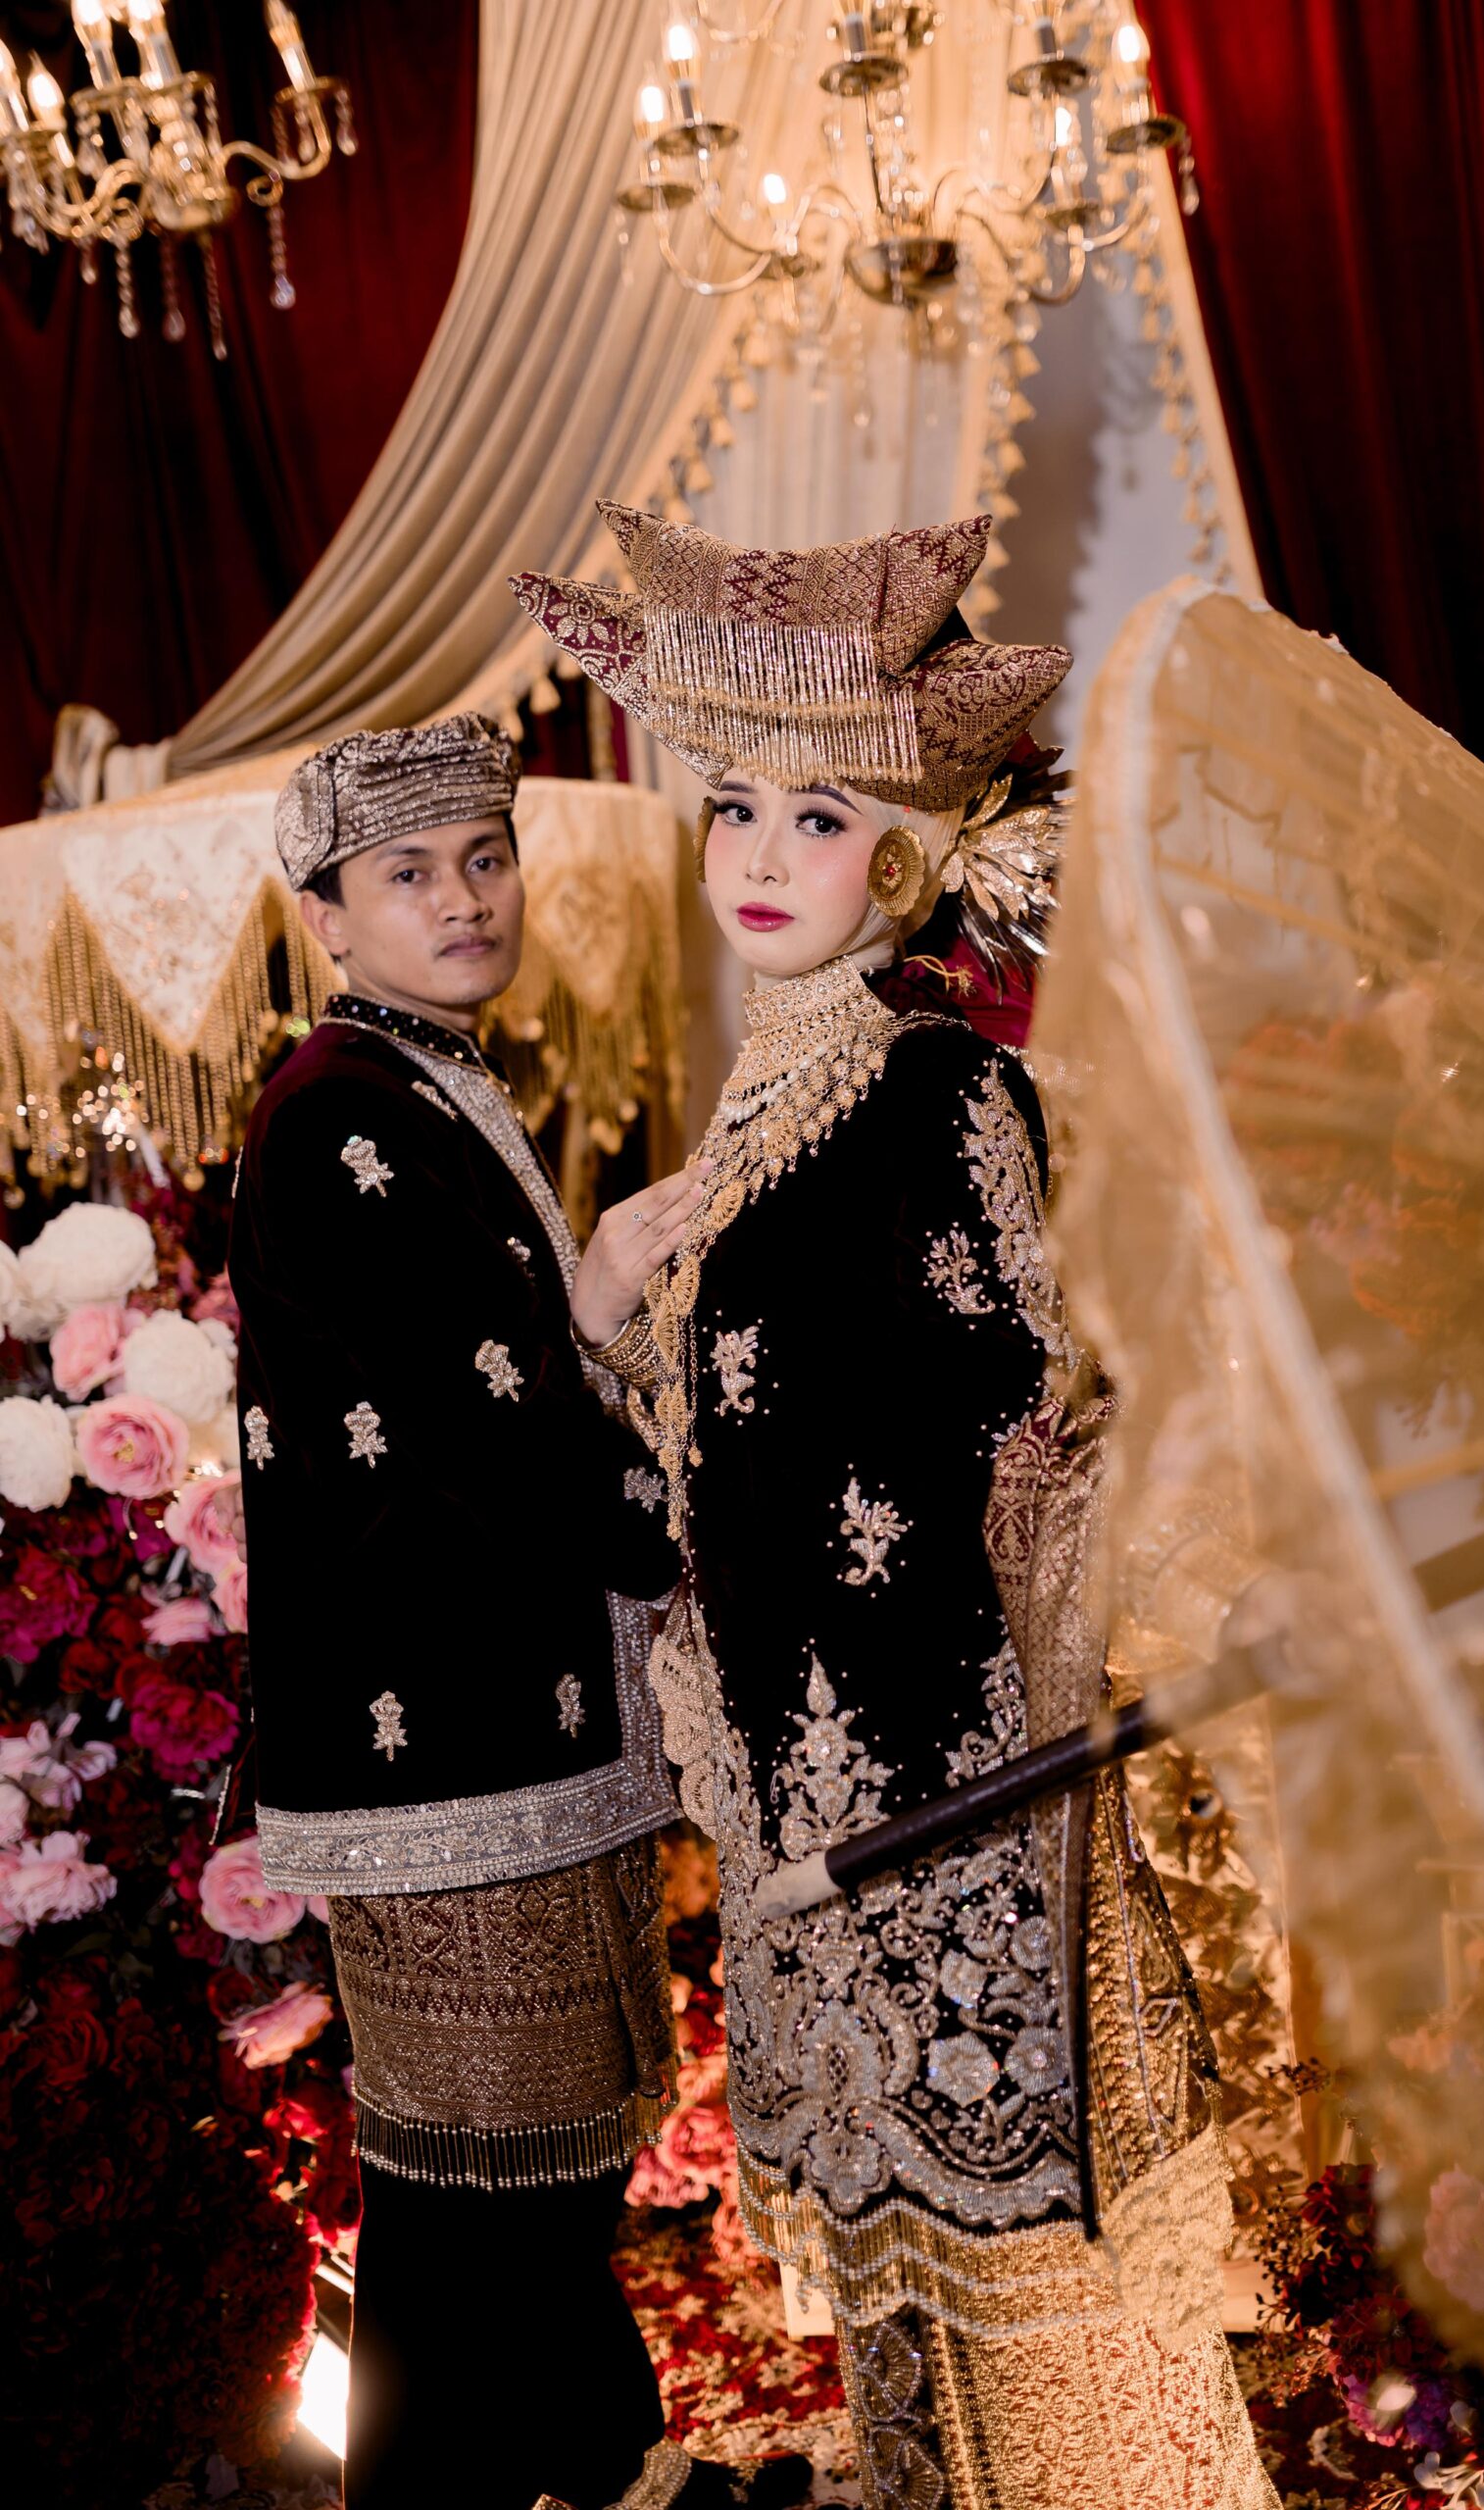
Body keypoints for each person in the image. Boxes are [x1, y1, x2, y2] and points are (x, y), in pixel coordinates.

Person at [511, 516, 1282, 2510]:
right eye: (735, 808)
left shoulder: (941, 1091)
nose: (761, 855)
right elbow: (736, 1453)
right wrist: (610, 1321)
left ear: (911, 854)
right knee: (906, 2353)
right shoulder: (753, 1109)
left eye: (821, 817)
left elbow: (1038, 1441)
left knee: (1041, 2334)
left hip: (955, 1814)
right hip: (809, 1825)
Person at [229, 716, 808, 2510]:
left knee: (518, 2182)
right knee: (478, 2195)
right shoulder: (342, 1116)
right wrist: (693, 1521)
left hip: (495, 1721)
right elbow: (485, 1425)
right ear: (328, 917)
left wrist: (597, 1300)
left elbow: (483, 1373)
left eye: (486, 859)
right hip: (451, 1734)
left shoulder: (416, 1082)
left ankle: (618, 2466)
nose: (463, 899)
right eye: (408, 873)